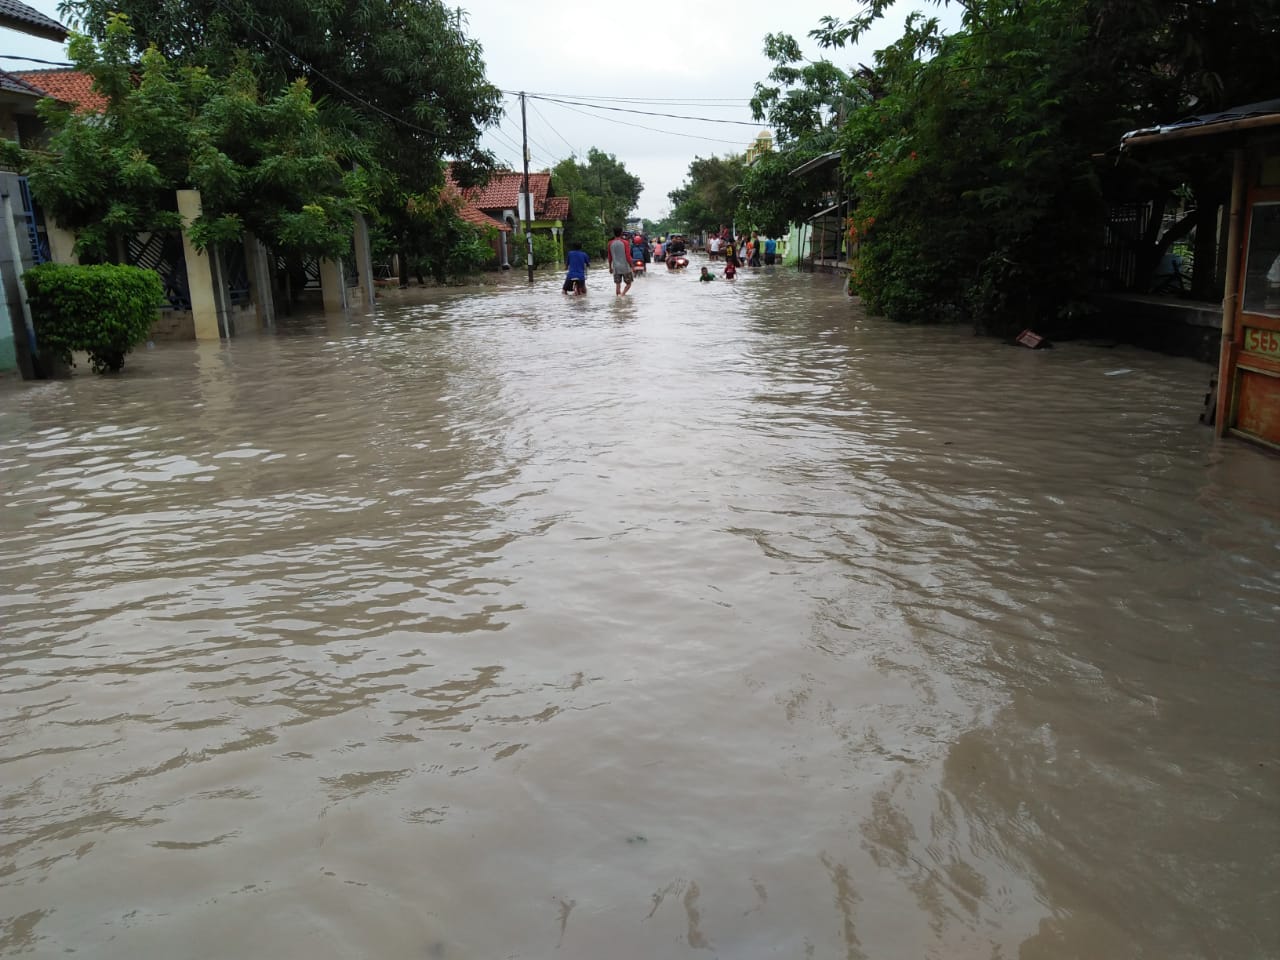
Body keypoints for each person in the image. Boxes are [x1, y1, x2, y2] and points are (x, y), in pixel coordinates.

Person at [607, 226, 633, 296]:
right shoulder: (625, 242)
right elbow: (628, 256)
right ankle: (623, 294)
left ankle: (618, 300)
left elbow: (609, 257)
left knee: (618, 285)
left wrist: (610, 267)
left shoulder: (610, 243)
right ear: (621, 233)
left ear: (614, 233)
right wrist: (632, 265)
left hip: (616, 267)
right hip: (625, 267)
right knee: (629, 284)